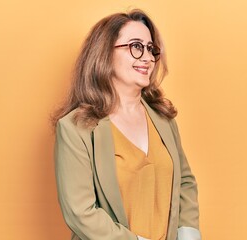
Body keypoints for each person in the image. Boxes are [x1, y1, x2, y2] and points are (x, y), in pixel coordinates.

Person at [53, 9, 201, 240]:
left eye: (151, 49)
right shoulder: (75, 128)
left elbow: (185, 181)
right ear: (104, 53)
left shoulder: (163, 118)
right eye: (136, 46)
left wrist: (189, 235)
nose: (148, 58)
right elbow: (80, 213)